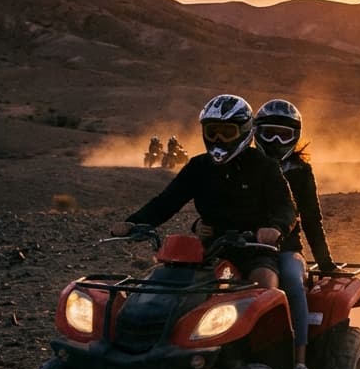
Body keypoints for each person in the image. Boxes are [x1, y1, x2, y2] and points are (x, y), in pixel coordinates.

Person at [112, 94, 297, 294]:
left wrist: (275, 228)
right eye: (212, 132)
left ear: (244, 132)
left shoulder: (264, 166)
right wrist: (134, 223)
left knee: (263, 286)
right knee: (163, 285)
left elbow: (286, 206)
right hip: (209, 250)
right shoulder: (199, 166)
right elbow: (166, 202)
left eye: (227, 132)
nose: (219, 139)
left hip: (255, 250)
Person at [254, 98, 338, 369]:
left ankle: (300, 364)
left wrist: (325, 262)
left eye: (284, 134)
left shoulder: (301, 172)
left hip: (286, 249)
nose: (276, 141)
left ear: (296, 136)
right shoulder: (246, 164)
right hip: (246, 247)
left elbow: (312, 219)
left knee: (291, 279)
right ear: (255, 132)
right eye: (269, 133)